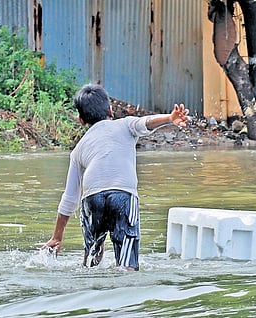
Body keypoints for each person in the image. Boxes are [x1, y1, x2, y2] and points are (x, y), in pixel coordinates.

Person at [43, 83, 191, 271]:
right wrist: (169, 118)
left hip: (91, 198)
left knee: (92, 259)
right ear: (110, 110)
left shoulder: (78, 148)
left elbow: (70, 198)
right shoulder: (125, 124)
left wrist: (57, 236)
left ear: (80, 119)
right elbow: (146, 122)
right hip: (123, 195)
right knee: (127, 263)